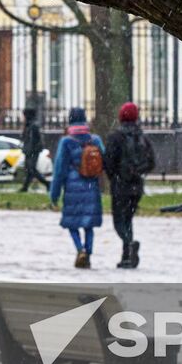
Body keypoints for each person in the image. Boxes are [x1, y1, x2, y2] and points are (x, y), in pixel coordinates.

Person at [49, 106, 103, 268]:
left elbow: (59, 170)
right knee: (89, 225)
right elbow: (103, 161)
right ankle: (89, 251)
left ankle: (80, 250)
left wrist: (54, 194)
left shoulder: (66, 142)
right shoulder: (95, 140)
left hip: (72, 188)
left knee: (72, 223)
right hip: (91, 187)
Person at [104, 101, 156, 268]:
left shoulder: (115, 137)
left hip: (120, 186)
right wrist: (138, 172)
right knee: (128, 219)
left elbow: (108, 162)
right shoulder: (142, 137)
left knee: (119, 221)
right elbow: (151, 161)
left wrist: (115, 176)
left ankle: (130, 244)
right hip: (136, 187)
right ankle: (127, 256)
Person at [18, 107, 47, 191]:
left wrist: (30, 149)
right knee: (29, 170)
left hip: (32, 151)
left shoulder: (33, 125)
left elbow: (34, 140)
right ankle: (25, 187)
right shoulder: (30, 125)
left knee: (31, 169)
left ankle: (47, 183)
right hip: (29, 150)